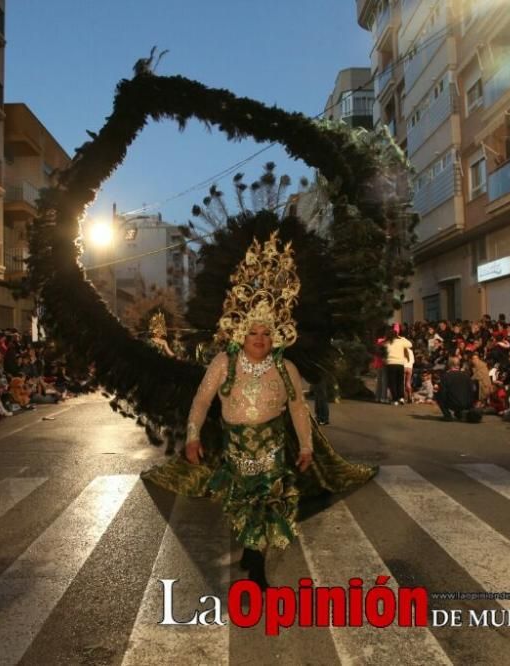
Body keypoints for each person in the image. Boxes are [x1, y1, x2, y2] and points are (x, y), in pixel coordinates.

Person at [141, 232, 376, 589]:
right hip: (236, 447)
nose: (260, 339)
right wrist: (192, 437)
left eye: (267, 333)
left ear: (276, 335)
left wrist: (308, 446)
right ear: (241, 333)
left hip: (272, 447)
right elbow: (202, 401)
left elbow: (298, 409)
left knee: (269, 501)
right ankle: (252, 549)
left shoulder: (286, 369)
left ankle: (258, 562)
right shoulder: (223, 363)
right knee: (243, 502)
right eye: (254, 333)